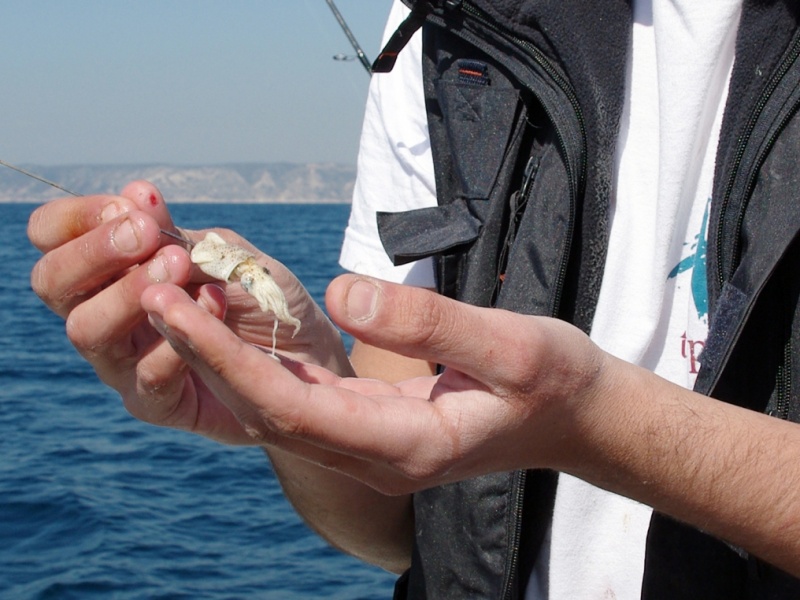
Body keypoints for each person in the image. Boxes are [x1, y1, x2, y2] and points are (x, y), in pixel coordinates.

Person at [26, 0, 800, 598]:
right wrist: (296, 384)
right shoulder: (446, 23)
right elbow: (400, 523)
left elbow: (566, 419)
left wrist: (590, 423)